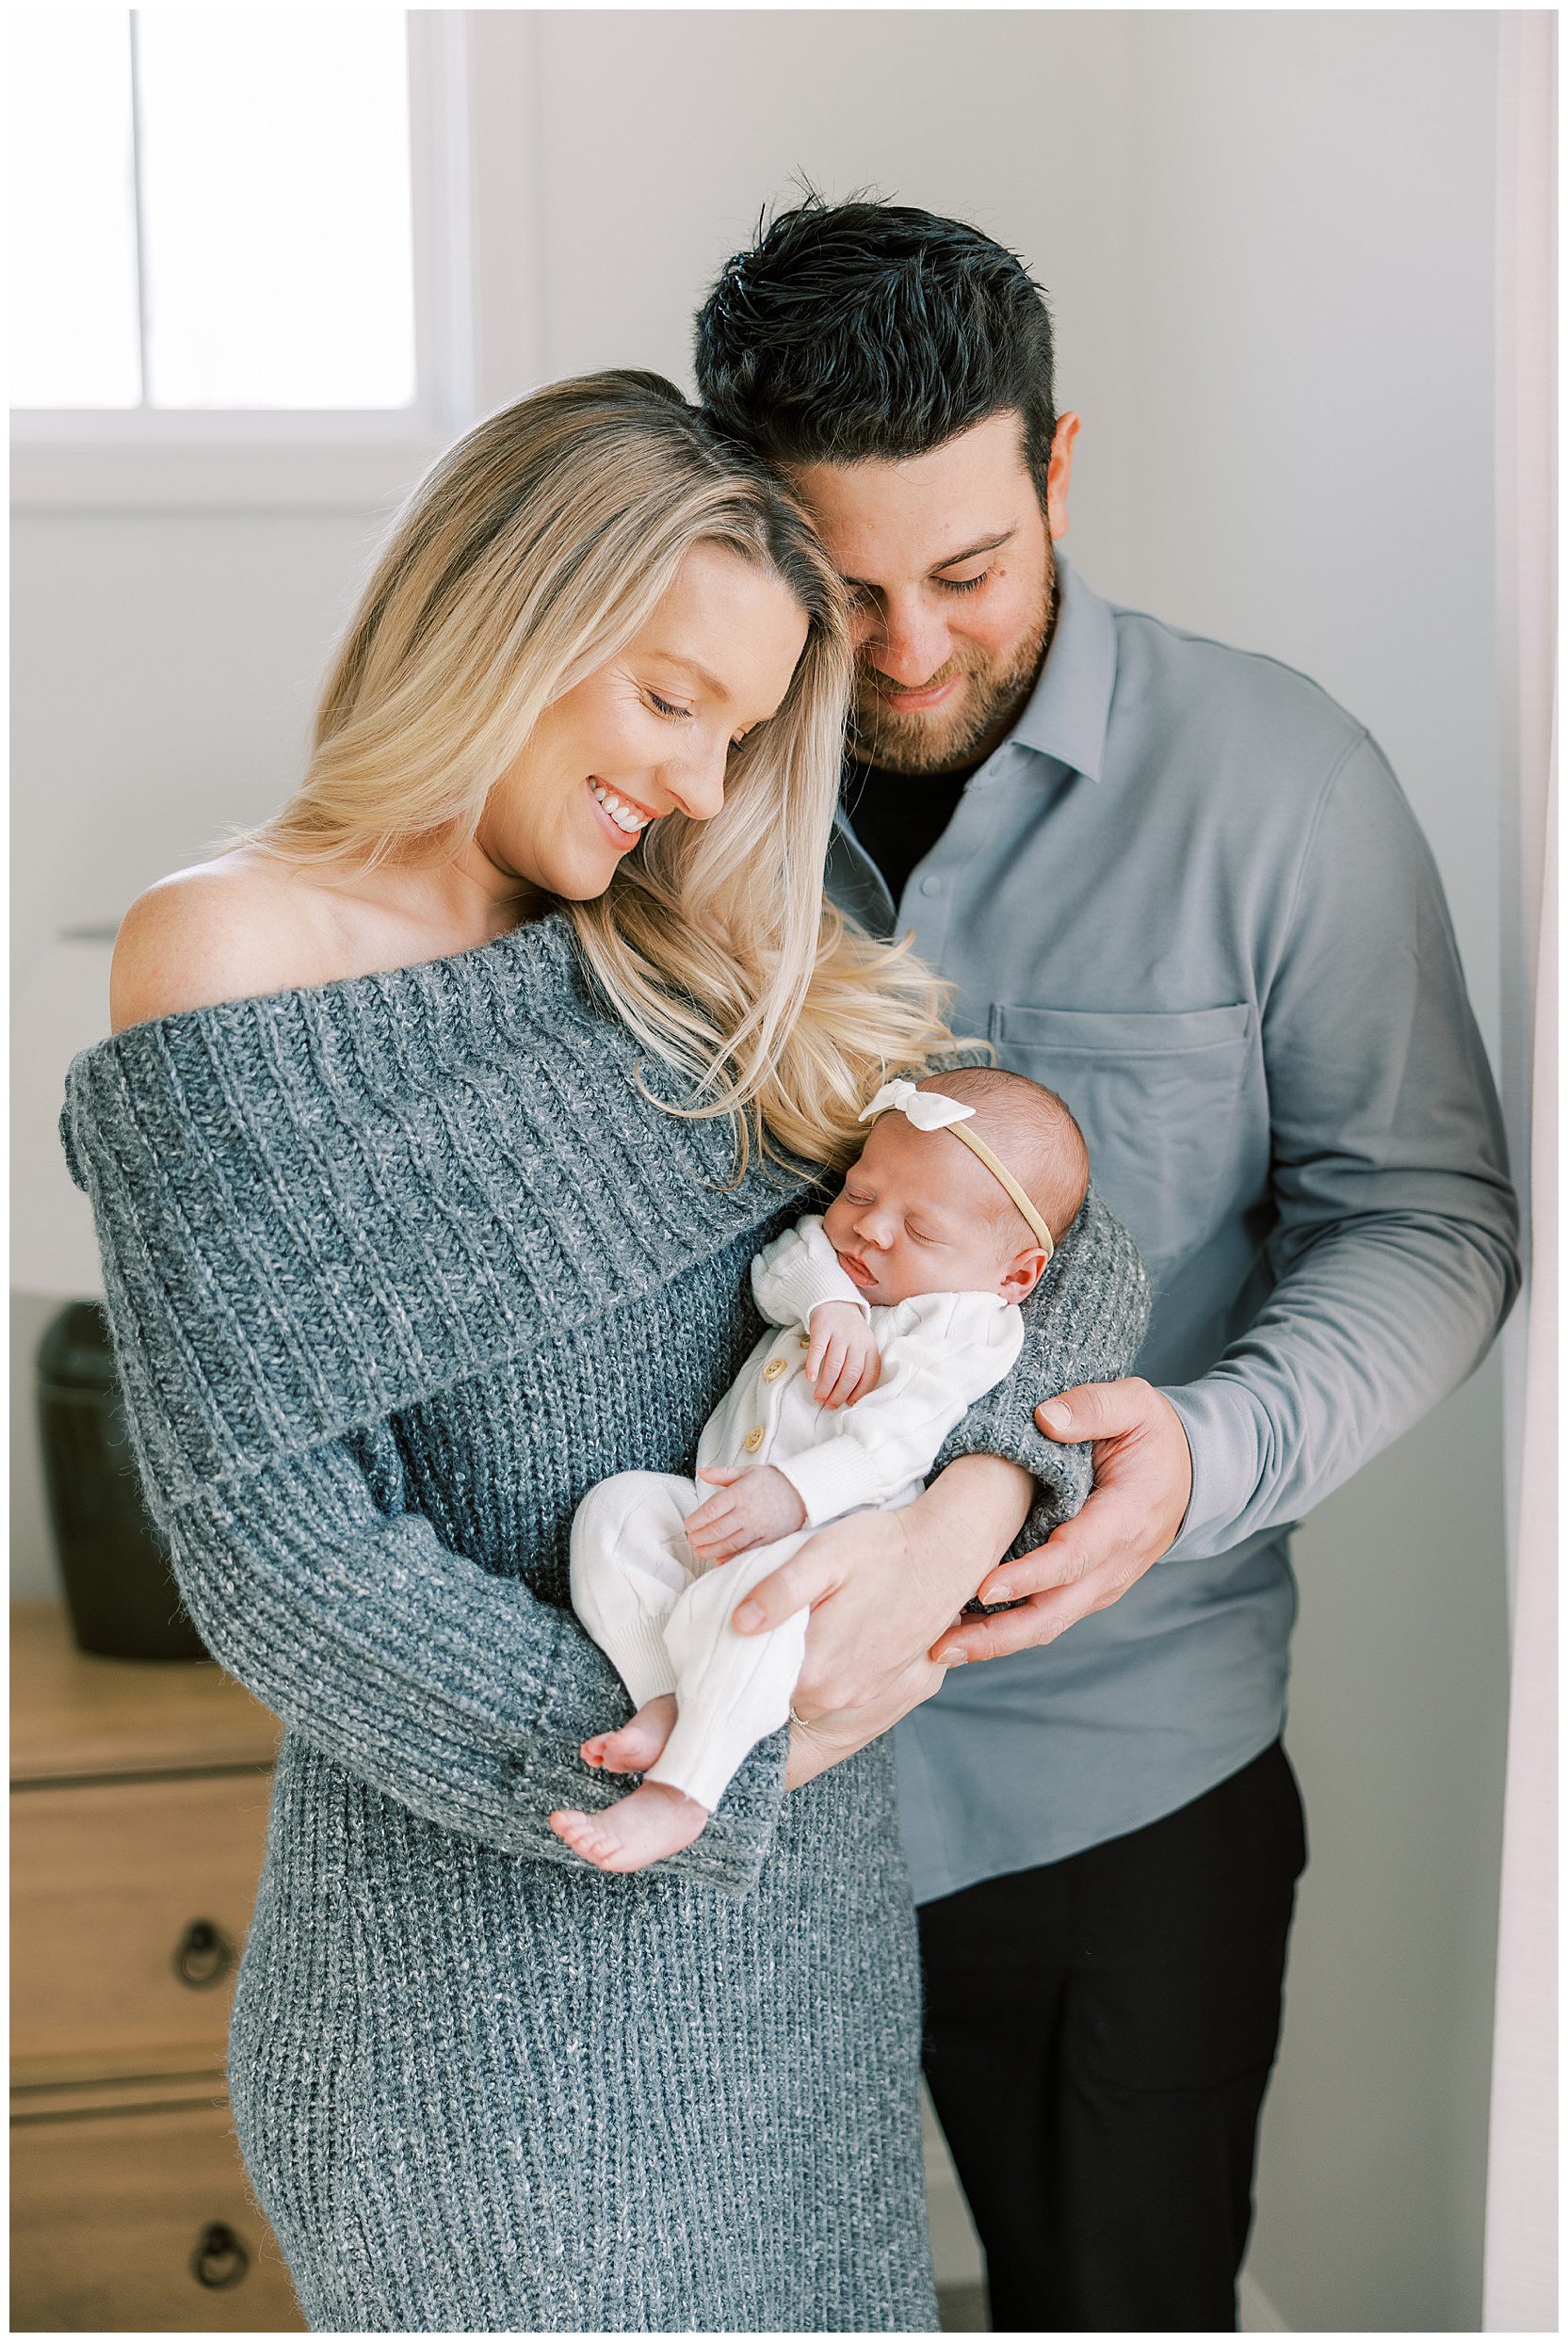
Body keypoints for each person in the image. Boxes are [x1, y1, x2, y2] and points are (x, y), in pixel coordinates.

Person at [60, 369, 1150, 2333]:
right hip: (490, 2002)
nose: (709, 787)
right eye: (671, 703)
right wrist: (729, 1741)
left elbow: (1045, 1229)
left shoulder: (695, 943)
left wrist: (969, 1496)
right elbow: (282, 1562)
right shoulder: (230, 953)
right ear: (506, 615)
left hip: (803, 1964)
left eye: (740, 734)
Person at [694, 199, 1522, 2332]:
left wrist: (1206, 1446)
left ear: (1055, 469)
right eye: (834, 581)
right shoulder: (658, 793)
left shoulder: (1280, 785)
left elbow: (1427, 1217)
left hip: (1115, 1790)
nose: (894, 649)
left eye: (961, 572)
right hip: (716, 1777)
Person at [559, 1067, 1090, 1872]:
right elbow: (783, 1263)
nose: (870, 1231)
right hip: (718, 1508)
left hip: (817, 1546)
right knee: (618, 1512)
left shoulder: (963, 1326)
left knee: (750, 1607)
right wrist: (829, 1304)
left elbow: (895, 1443)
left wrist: (795, 1494)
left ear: (1013, 1275)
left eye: (921, 1228)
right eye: (859, 1193)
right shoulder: (836, 1270)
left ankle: (681, 1794)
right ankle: (663, 1693)